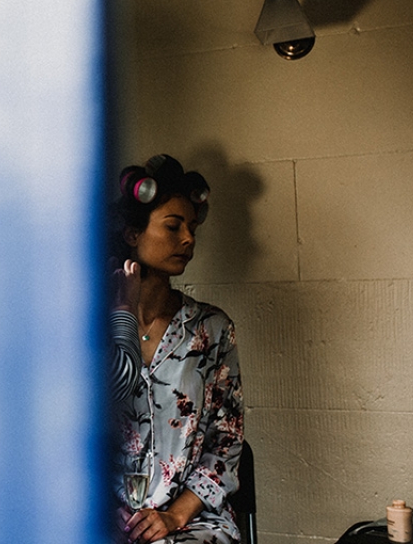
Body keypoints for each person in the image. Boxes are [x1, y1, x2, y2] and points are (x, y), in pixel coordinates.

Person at [108, 154, 244, 544]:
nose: (188, 238)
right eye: (173, 226)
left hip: (189, 523)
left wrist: (174, 516)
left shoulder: (212, 330)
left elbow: (226, 440)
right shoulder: (90, 328)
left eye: (192, 228)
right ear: (133, 233)